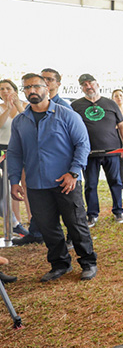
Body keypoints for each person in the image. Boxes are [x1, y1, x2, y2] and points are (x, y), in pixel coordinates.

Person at [7, 73, 97, 282]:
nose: (32, 91)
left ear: (46, 88)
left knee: (76, 224)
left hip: (67, 182)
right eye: (27, 88)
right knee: (48, 227)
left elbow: (83, 144)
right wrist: (14, 180)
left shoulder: (66, 114)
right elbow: (14, 152)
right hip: (37, 185)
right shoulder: (21, 121)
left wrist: (74, 173)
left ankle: (88, 262)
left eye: (36, 86)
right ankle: (60, 264)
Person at [71, 74, 123, 226]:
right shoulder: (76, 106)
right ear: (81, 87)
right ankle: (92, 214)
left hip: (112, 151)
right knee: (90, 184)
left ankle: (118, 211)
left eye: (91, 83)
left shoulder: (111, 103)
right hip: (88, 153)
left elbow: (122, 124)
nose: (89, 86)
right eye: (84, 84)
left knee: (116, 181)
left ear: (98, 84)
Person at [0, 80, 28, 237]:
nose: (5, 91)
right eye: (1, 89)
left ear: (15, 90)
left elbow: (28, 121)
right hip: (4, 151)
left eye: (8, 88)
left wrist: (17, 105)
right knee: (11, 186)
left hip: (24, 150)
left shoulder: (25, 105)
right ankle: (16, 222)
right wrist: (8, 108)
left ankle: (33, 219)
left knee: (27, 185)